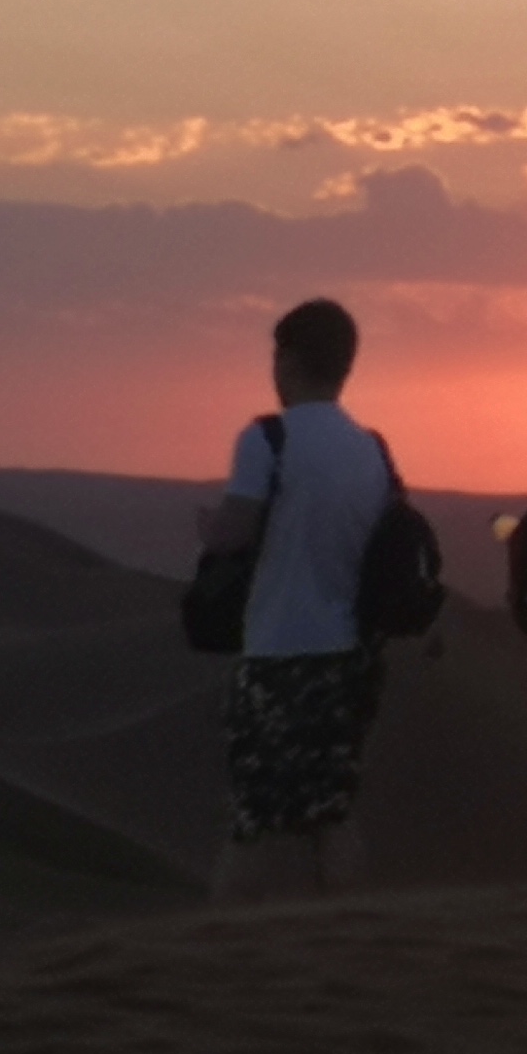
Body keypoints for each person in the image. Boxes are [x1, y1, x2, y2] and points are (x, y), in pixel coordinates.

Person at [196, 296, 404, 901]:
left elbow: (236, 531)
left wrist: (211, 529)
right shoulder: (372, 449)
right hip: (349, 659)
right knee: (331, 813)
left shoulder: (268, 438)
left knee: (254, 817)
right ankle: (347, 935)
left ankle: (218, 945)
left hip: (278, 651)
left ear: (286, 360)